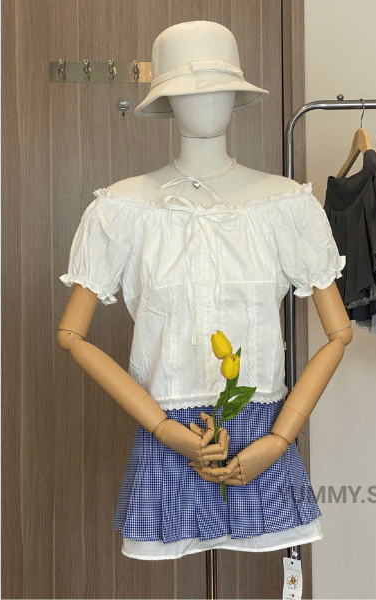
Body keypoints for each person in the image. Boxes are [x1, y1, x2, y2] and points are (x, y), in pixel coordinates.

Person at [57, 20, 352, 560]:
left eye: (217, 88)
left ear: (237, 94)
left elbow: (339, 334)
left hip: (261, 440)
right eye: (190, 90)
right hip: (170, 438)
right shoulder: (122, 209)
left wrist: (278, 440)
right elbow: (71, 335)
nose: (206, 102)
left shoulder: (286, 206)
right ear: (166, 101)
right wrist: (164, 428)